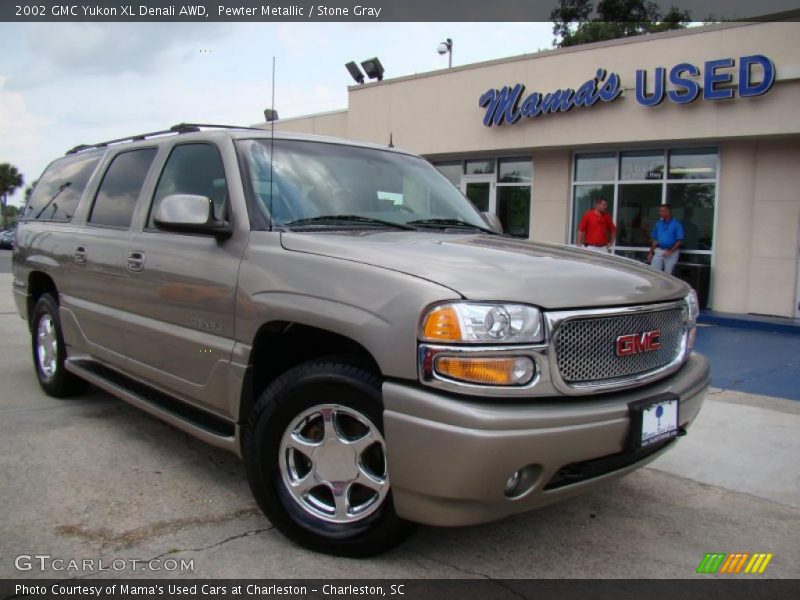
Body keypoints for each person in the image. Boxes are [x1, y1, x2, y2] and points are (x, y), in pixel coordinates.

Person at [647, 204, 684, 274]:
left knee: (668, 274)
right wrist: (651, 252)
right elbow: (655, 240)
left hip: (672, 252)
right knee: (653, 273)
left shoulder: (676, 224)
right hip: (659, 250)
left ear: (668, 212)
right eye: (659, 211)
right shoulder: (658, 224)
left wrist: (670, 251)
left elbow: (679, 241)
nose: (659, 213)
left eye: (662, 211)